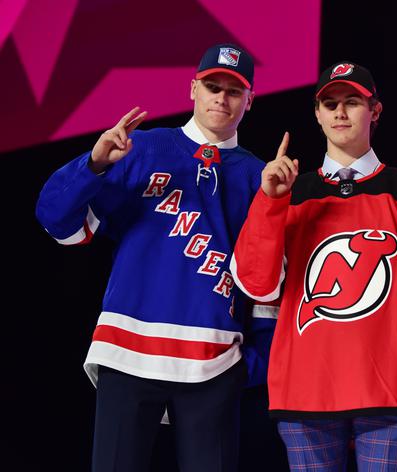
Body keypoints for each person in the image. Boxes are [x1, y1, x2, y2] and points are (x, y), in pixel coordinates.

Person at [35, 43, 274, 471]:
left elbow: (269, 280)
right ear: (192, 89)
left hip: (214, 360)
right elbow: (58, 224)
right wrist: (92, 165)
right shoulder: (140, 149)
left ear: (250, 100)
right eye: (211, 86)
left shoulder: (260, 176)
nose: (221, 97)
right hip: (127, 351)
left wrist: (254, 363)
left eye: (233, 91)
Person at [230, 61, 397, 470]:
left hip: (390, 394)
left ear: (376, 111)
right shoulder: (291, 193)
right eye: (329, 103)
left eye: (352, 102)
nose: (340, 112)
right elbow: (255, 284)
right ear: (317, 114)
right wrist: (269, 204)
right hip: (304, 390)